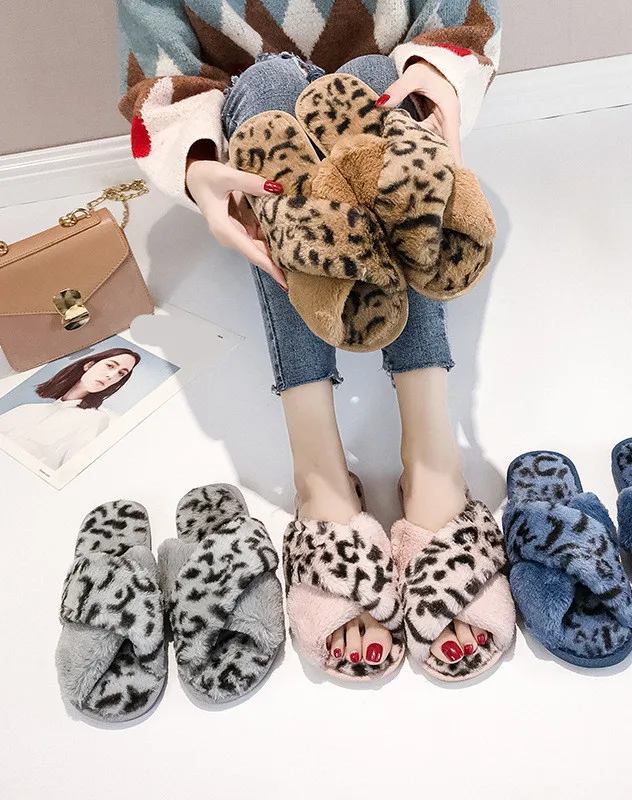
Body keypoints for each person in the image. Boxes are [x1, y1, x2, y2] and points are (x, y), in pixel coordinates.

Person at [117, 1, 502, 671]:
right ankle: (319, 467)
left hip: (382, 107)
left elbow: (460, 13)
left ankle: (429, 451)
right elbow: (160, 69)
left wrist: (442, 70)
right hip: (256, 145)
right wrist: (197, 162)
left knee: (375, 78)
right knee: (265, 95)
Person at [0, 348, 139, 470]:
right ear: (89, 365)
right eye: (110, 366)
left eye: (121, 374)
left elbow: (70, 470)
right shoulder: (26, 410)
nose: (112, 376)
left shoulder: (94, 419)